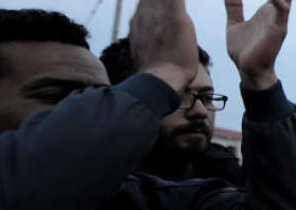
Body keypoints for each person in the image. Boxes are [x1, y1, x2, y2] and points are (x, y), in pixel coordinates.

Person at [0, 0, 296, 210]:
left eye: (96, 98)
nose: (80, 111)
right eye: (55, 96)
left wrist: (262, 81)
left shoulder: (143, 204)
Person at [99, 39, 242, 185]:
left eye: (207, 98)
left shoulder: (230, 180)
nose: (201, 111)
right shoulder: (90, 186)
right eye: (178, 96)